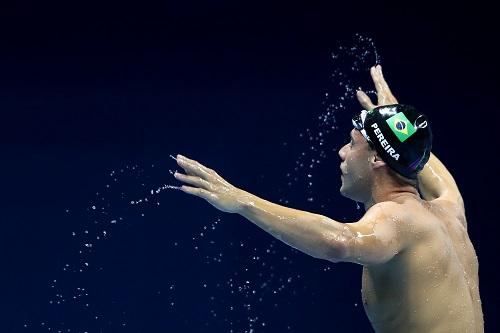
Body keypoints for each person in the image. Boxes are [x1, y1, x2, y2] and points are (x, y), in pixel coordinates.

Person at [172, 65, 484, 332]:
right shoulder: (450, 212)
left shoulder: (398, 219)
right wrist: (395, 117)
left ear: (376, 157)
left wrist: (241, 201)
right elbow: (423, 162)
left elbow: (339, 241)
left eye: (352, 143)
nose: (343, 153)